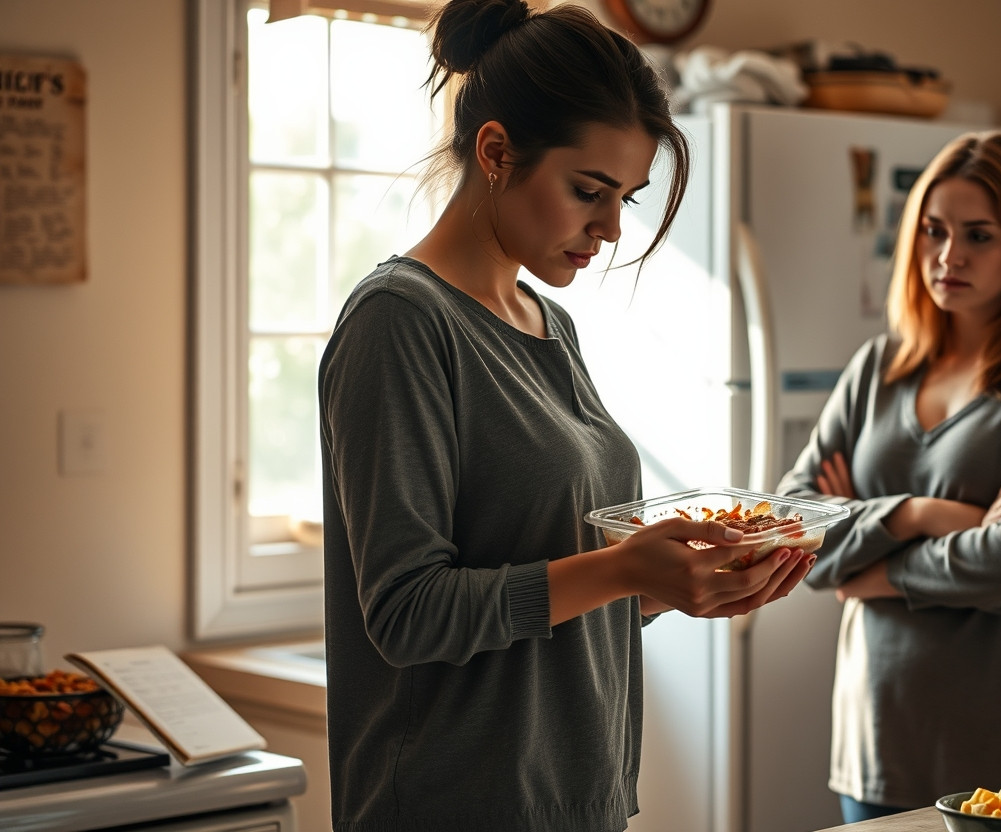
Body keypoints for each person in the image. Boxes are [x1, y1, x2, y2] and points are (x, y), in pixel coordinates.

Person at [317, 2, 813, 829]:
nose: (613, 228)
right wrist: (622, 571)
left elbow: (550, 577)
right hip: (453, 808)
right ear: (497, 152)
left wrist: (672, 585)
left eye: (627, 198)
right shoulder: (400, 321)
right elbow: (407, 614)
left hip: (577, 801)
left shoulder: (548, 322)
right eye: (589, 191)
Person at [775, 132, 1001, 823]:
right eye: (934, 230)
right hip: (877, 739)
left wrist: (878, 571)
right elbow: (790, 533)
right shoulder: (877, 366)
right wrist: (914, 515)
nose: (948, 254)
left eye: (979, 235)